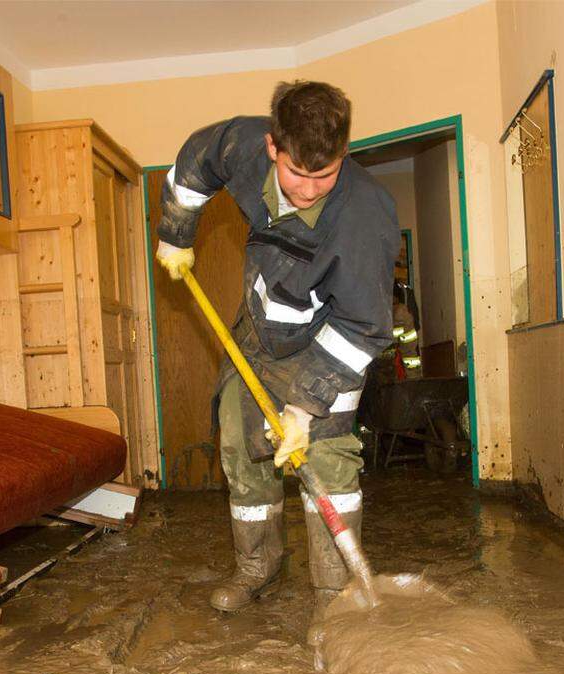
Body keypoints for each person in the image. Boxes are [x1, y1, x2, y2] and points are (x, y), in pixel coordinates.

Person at [156, 81, 399, 612]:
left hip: (329, 344)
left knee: (329, 461)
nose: (309, 191)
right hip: (257, 330)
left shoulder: (366, 217)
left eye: (325, 176)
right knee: (240, 446)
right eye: (296, 174)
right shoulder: (240, 145)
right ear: (272, 148)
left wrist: (305, 406)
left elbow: (365, 329)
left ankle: (336, 599)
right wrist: (176, 232)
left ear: (344, 155)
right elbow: (195, 164)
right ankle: (256, 570)